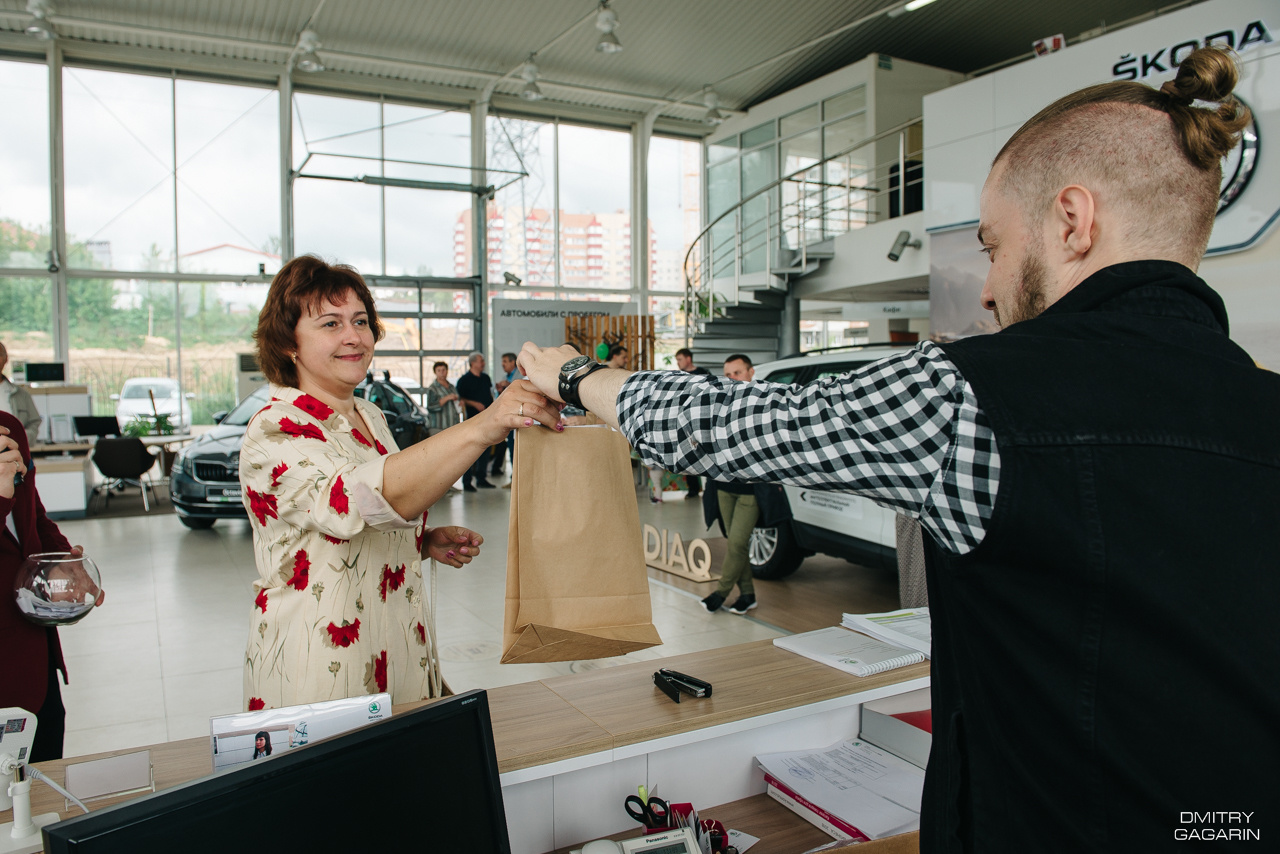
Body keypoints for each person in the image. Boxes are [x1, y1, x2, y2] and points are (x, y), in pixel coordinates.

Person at [515, 47, 1278, 851]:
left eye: (993, 246)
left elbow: (735, 425)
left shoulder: (973, 396)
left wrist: (576, 376)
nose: (989, 289)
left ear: (1072, 221)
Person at [241, 256, 560, 711]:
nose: (354, 336)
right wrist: (485, 425)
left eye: (361, 321)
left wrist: (419, 541)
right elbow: (349, 502)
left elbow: (377, 512)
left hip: (397, 649)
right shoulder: (275, 427)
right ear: (288, 342)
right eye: (331, 324)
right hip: (324, 668)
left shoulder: (369, 416)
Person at [0, 412, 104, 761]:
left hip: (34, 659)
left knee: (44, 772)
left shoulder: (10, 429)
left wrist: (61, 558)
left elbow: (34, 516)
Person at [698, 355, 763, 615]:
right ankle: (748, 594)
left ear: (751, 372)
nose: (732, 378)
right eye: (728, 375)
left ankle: (721, 592)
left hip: (752, 489)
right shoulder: (719, 402)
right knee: (736, 543)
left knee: (737, 543)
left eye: (737, 373)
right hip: (724, 485)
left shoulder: (762, 401)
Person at [455, 352, 497, 491]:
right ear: (472, 363)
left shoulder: (485, 378)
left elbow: (489, 394)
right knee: (470, 451)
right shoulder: (464, 380)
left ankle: (481, 478)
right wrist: (474, 404)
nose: (483, 363)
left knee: (485, 448)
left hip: (487, 419)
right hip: (472, 420)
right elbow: (460, 399)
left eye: (483, 361)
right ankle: (467, 482)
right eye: (481, 361)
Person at [674, 348, 709, 498]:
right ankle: (693, 489)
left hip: (701, 418)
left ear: (688, 359)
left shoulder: (703, 373)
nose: (678, 363)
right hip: (685, 420)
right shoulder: (679, 376)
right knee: (688, 454)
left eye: (680, 359)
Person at [0, 343, 42, 445]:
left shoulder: (21, 394)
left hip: (15, 450)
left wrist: (22, 438)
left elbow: (34, 422)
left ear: (6, 359)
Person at [494, 353, 521, 477]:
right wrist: (500, 391)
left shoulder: (521, 376)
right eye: (502, 361)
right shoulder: (505, 377)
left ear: (512, 362)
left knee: (520, 449)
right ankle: (513, 477)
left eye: (505, 361)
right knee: (511, 447)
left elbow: (522, 391)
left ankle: (519, 477)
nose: (502, 364)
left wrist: (508, 386)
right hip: (508, 418)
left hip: (520, 416)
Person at [424, 361, 462, 434]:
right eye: (439, 370)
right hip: (439, 427)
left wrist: (459, 401)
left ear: (447, 371)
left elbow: (458, 400)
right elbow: (430, 406)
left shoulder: (451, 387)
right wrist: (446, 398)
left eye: (443, 370)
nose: (442, 373)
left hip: (453, 425)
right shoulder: (432, 388)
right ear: (435, 372)